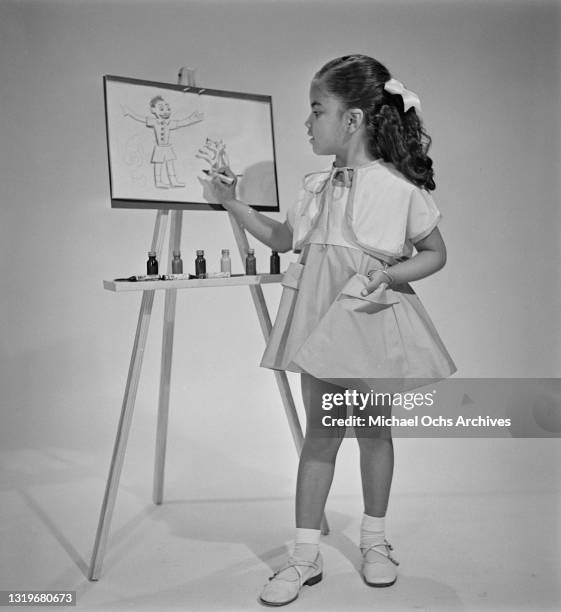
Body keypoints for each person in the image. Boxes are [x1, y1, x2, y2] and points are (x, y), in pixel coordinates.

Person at [203, 54, 456, 607]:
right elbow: (280, 238)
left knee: (373, 433)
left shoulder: (398, 188)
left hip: (365, 317)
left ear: (353, 119)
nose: (307, 121)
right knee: (320, 436)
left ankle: (374, 541)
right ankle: (302, 555)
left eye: (317, 110)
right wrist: (231, 203)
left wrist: (386, 274)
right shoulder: (313, 185)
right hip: (318, 319)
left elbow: (435, 253)